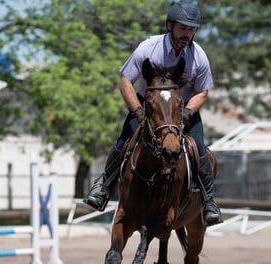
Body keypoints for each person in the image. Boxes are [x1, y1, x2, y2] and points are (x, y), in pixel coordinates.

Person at [84, 1, 222, 226]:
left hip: (182, 109)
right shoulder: (148, 48)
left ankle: (209, 202)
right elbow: (126, 81)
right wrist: (137, 111)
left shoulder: (199, 57)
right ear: (170, 25)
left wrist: (187, 113)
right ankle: (103, 186)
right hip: (149, 107)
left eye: (191, 29)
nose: (187, 34)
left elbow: (202, 91)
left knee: (199, 147)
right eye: (183, 28)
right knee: (124, 140)